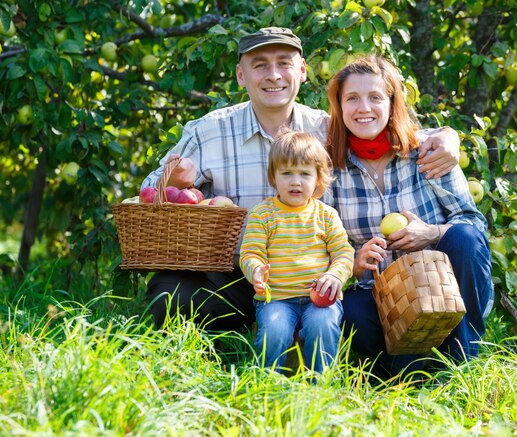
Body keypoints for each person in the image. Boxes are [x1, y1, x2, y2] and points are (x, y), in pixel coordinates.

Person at [140, 27, 460, 334]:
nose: (274, 75)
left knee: (343, 316)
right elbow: (151, 196)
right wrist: (180, 185)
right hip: (235, 275)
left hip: (310, 281)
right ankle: (206, 353)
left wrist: (448, 136)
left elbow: (391, 132)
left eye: (284, 64)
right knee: (170, 291)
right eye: (260, 65)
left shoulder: (329, 130)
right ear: (241, 75)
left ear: (302, 70)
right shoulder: (209, 132)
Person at [323, 56, 494, 377]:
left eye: (375, 97)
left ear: (391, 102)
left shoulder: (428, 151)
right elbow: (323, 244)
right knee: (349, 312)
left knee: (464, 237)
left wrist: (433, 233)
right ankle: (409, 370)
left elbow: (476, 226)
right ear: (339, 106)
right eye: (352, 99)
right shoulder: (332, 167)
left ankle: (462, 363)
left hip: (444, 292)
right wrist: (355, 260)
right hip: (383, 299)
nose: (364, 108)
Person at [239, 130, 354, 373]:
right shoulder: (263, 214)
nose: (295, 181)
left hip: (320, 300)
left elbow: (343, 252)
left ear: (318, 179)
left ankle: (319, 387)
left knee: (322, 326)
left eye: (304, 174)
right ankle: (267, 383)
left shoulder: (325, 215)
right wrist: (256, 271)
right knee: (274, 330)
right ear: (274, 176)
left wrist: (334, 275)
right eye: (287, 173)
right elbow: (250, 253)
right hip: (277, 299)